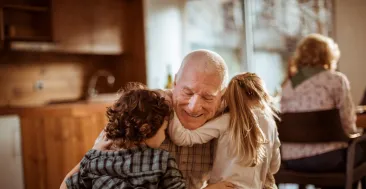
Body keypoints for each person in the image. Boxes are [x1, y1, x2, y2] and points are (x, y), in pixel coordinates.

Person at [62, 49, 235, 189]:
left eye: (207, 98)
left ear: (222, 96)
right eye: (187, 92)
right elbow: (68, 185)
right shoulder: (144, 114)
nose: (193, 107)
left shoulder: (227, 125)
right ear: (175, 83)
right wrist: (93, 153)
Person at [169, 72, 281, 189]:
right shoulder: (271, 124)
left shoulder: (226, 121)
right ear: (262, 94)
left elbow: (181, 137)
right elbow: (274, 167)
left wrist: (172, 103)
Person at [62, 84, 186, 189]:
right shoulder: (161, 160)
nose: (165, 136)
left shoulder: (95, 162)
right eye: (164, 130)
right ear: (146, 128)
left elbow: (64, 187)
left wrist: (92, 154)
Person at [280, 34, 363, 189]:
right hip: (329, 160)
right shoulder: (336, 79)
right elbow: (348, 124)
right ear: (328, 56)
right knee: (360, 150)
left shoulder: (288, 85)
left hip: (292, 159)